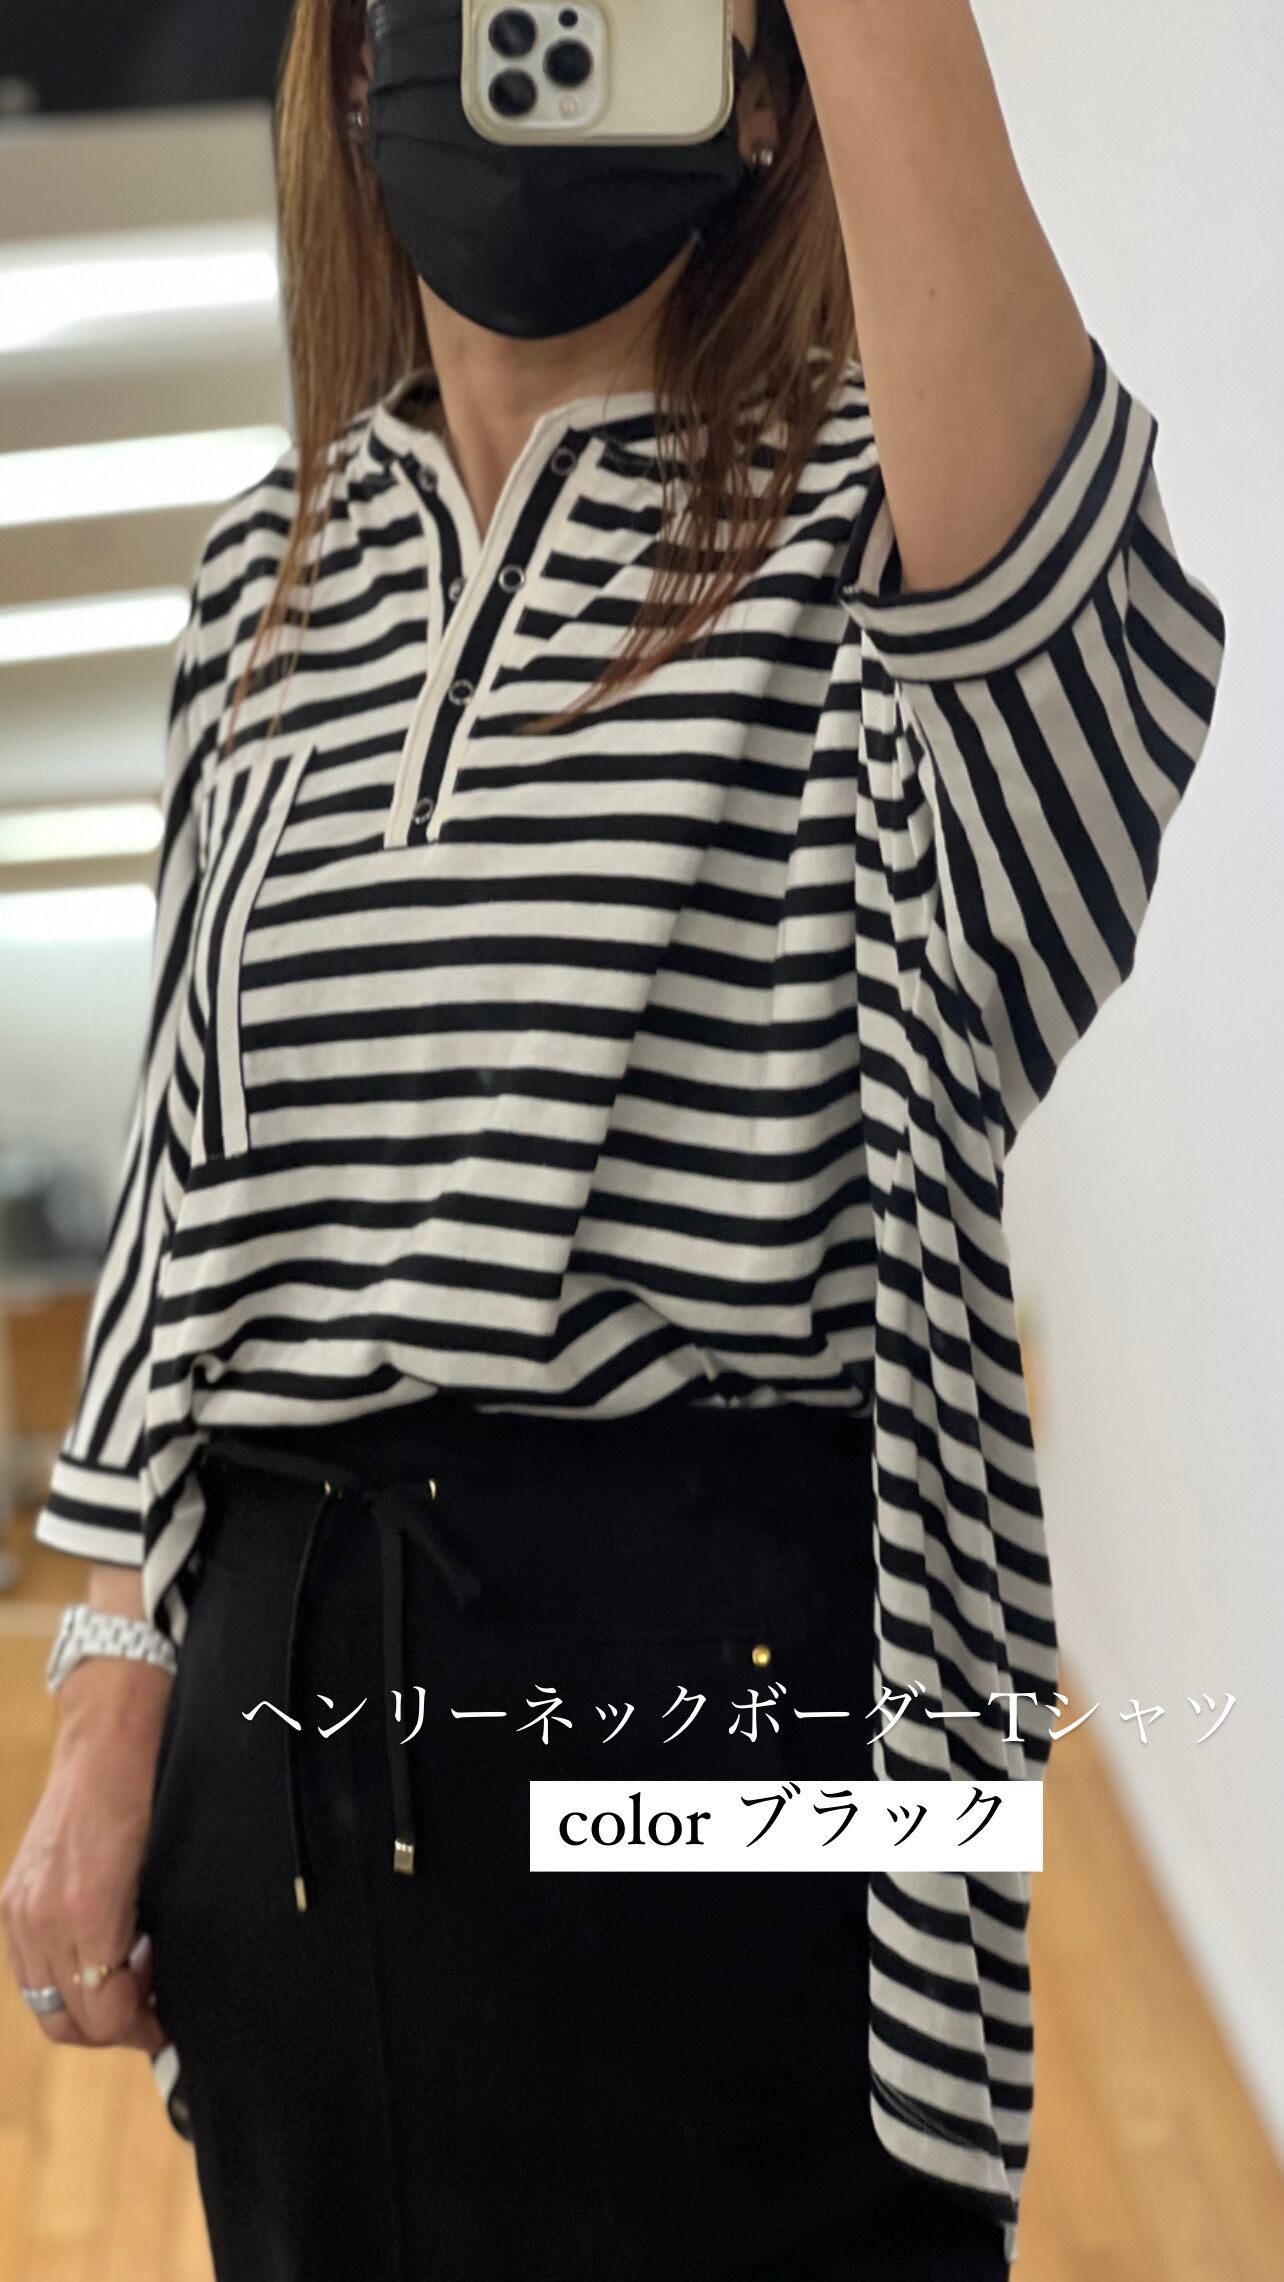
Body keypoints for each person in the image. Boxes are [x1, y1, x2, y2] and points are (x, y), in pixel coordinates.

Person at [2, 3, 1226, 2278]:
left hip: (728, 1691)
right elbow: (185, 1197)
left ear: (763, 92)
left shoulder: (883, 512)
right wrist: (110, 1697)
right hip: (289, 1739)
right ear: (351, 69)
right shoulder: (261, 576)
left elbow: (1067, 644)